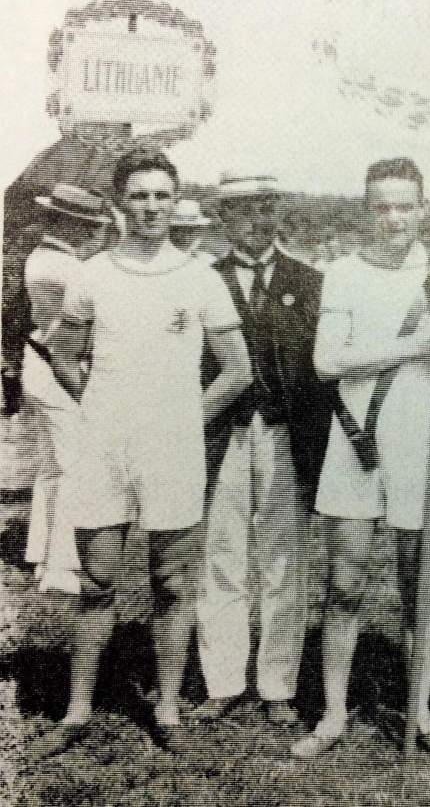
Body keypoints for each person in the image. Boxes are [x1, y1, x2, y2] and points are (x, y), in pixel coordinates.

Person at [30, 150, 252, 757]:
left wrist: (184, 419)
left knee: (173, 582)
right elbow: (65, 355)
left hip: (174, 449)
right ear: (120, 204)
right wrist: (99, 408)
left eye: (160, 196)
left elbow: (236, 372)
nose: (150, 207)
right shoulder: (92, 274)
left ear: (174, 202)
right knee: (97, 579)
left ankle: (170, 707)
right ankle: (77, 711)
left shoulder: (200, 276)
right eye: (138, 196)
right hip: (106, 447)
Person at [291, 157, 430, 758]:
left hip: (423, 440)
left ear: (421, 210)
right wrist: (414, 344)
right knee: (347, 582)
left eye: (404, 206)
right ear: (366, 211)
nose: (392, 218)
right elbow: (325, 362)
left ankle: (421, 713)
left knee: (421, 588)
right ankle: (334, 714)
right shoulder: (343, 272)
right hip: (356, 437)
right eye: (380, 207)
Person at [193, 175, 331, 725]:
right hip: (224, 436)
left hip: (285, 436)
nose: (254, 220)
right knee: (221, 556)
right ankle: (222, 681)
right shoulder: (202, 279)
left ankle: (277, 684)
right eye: (241, 211)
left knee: (283, 562)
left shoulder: (311, 280)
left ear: (278, 213)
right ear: (225, 219)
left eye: (264, 208)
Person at [21, 184, 110, 594]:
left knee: (53, 468)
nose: (93, 234)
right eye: (88, 226)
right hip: (56, 367)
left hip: (37, 363)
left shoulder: (43, 258)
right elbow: (64, 332)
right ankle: (62, 566)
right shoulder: (71, 268)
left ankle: (41, 556)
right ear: (73, 226)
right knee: (75, 466)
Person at [169, 198, 216, 264]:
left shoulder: (208, 260)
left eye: (190, 230)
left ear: (200, 231)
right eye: (176, 230)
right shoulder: (160, 258)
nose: (185, 237)